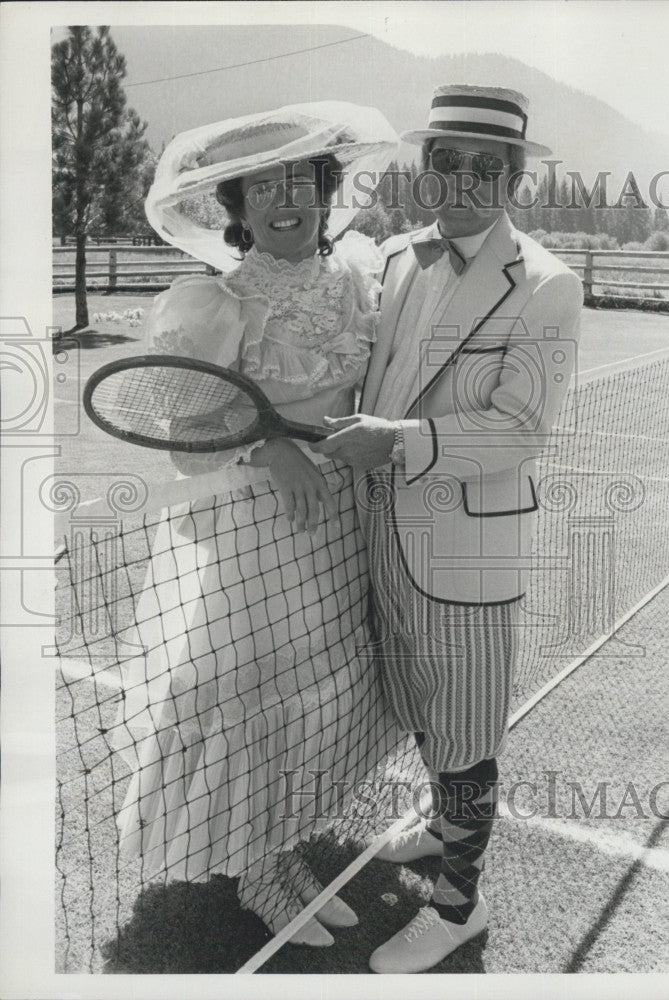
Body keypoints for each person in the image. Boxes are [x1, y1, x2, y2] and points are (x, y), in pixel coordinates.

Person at [110, 104, 399, 947]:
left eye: (299, 181)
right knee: (258, 702)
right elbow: (184, 435)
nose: (284, 201)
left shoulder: (356, 272)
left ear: (323, 190)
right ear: (234, 208)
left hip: (341, 527)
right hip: (253, 539)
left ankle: (288, 847)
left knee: (328, 694)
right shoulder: (209, 303)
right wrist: (268, 444)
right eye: (261, 187)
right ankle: (262, 875)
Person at [312, 84, 583, 972]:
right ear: (423, 169)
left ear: (514, 179)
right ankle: (439, 832)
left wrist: (402, 440)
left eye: (485, 165)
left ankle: (458, 906)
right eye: (445, 160)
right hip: (379, 540)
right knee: (426, 714)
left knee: (465, 733)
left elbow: (521, 429)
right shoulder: (392, 256)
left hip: (465, 554)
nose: (462, 178)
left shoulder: (547, 283)